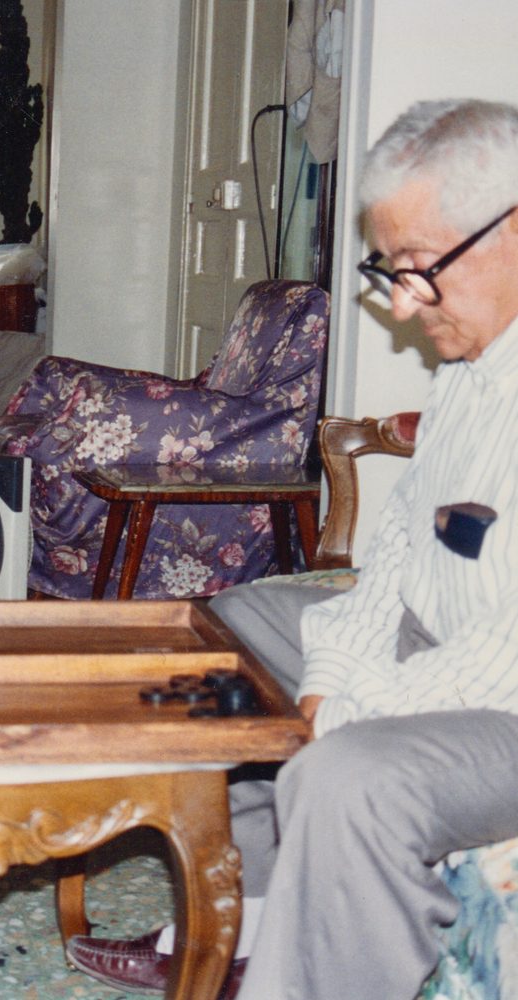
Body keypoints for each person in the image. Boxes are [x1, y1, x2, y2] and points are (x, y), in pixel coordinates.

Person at [65, 96, 518, 999]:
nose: (397, 304)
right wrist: (325, 673)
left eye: (419, 269)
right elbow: (399, 550)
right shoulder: (478, 370)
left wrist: (344, 712)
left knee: (347, 775)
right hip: (443, 647)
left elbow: (505, 660)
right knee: (222, 634)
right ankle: (247, 924)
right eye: (387, 270)